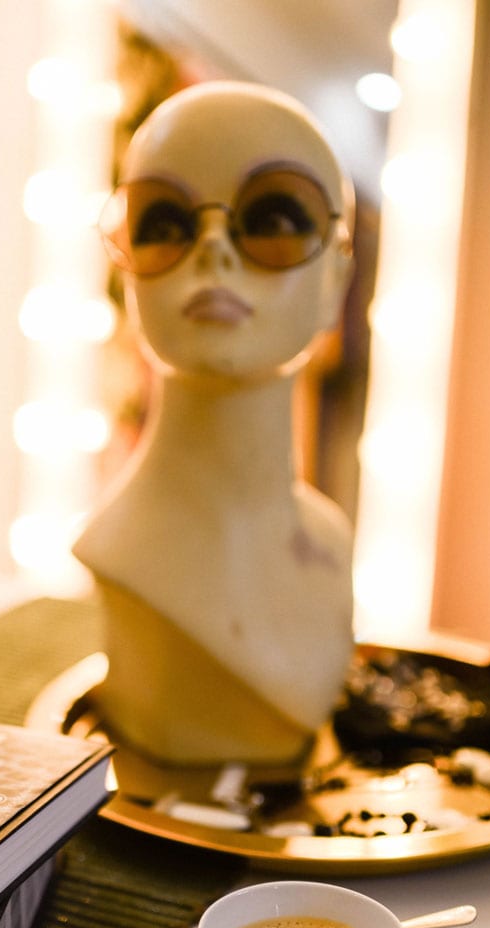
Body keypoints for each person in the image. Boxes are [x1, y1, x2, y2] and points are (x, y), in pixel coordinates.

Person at [74, 80, 355, 780]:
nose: (211, 249)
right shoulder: (121, 548)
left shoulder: (330, 545)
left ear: (336, 277)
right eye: (164, 222)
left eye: (272, 217)